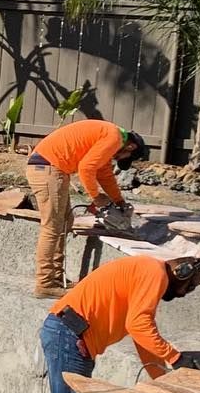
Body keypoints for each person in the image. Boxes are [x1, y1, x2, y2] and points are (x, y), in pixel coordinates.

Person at [40, 255, 200, 393]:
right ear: (182, 272)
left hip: (69, 335)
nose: (184, 293)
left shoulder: (146, 271)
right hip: (68, 335)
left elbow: (142, 337)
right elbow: (138, 325)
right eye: (189, 287)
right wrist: (176, 358)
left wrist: (162, 380)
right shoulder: (156, 273)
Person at [25, 118, 148, 298]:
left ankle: (57, 279)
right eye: (123, 158)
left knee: (66, 221)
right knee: (52, 227)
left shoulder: (109, 136)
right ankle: (45, 283)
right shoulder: (113, 138)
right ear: (131, 147)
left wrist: (119, 201)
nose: (117, 159)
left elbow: (104, 174)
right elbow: (86, 169)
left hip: (50, 167)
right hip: (47, 167)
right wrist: (97, 198)